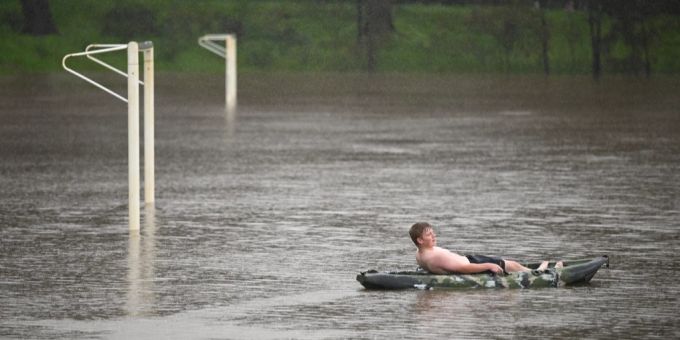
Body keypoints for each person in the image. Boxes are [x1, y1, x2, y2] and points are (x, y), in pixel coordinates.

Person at [409, 222, 562, 275]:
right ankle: (540, 273)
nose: (434, 236)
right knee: (511, 265)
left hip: (469, 260)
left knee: (511, 264)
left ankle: (535, 270)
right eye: (430, 234)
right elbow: (464, 268)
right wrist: (490, 266)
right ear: (420, 240)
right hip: (473, 263)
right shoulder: (435, 256)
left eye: (433, 232)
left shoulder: (419, 253)